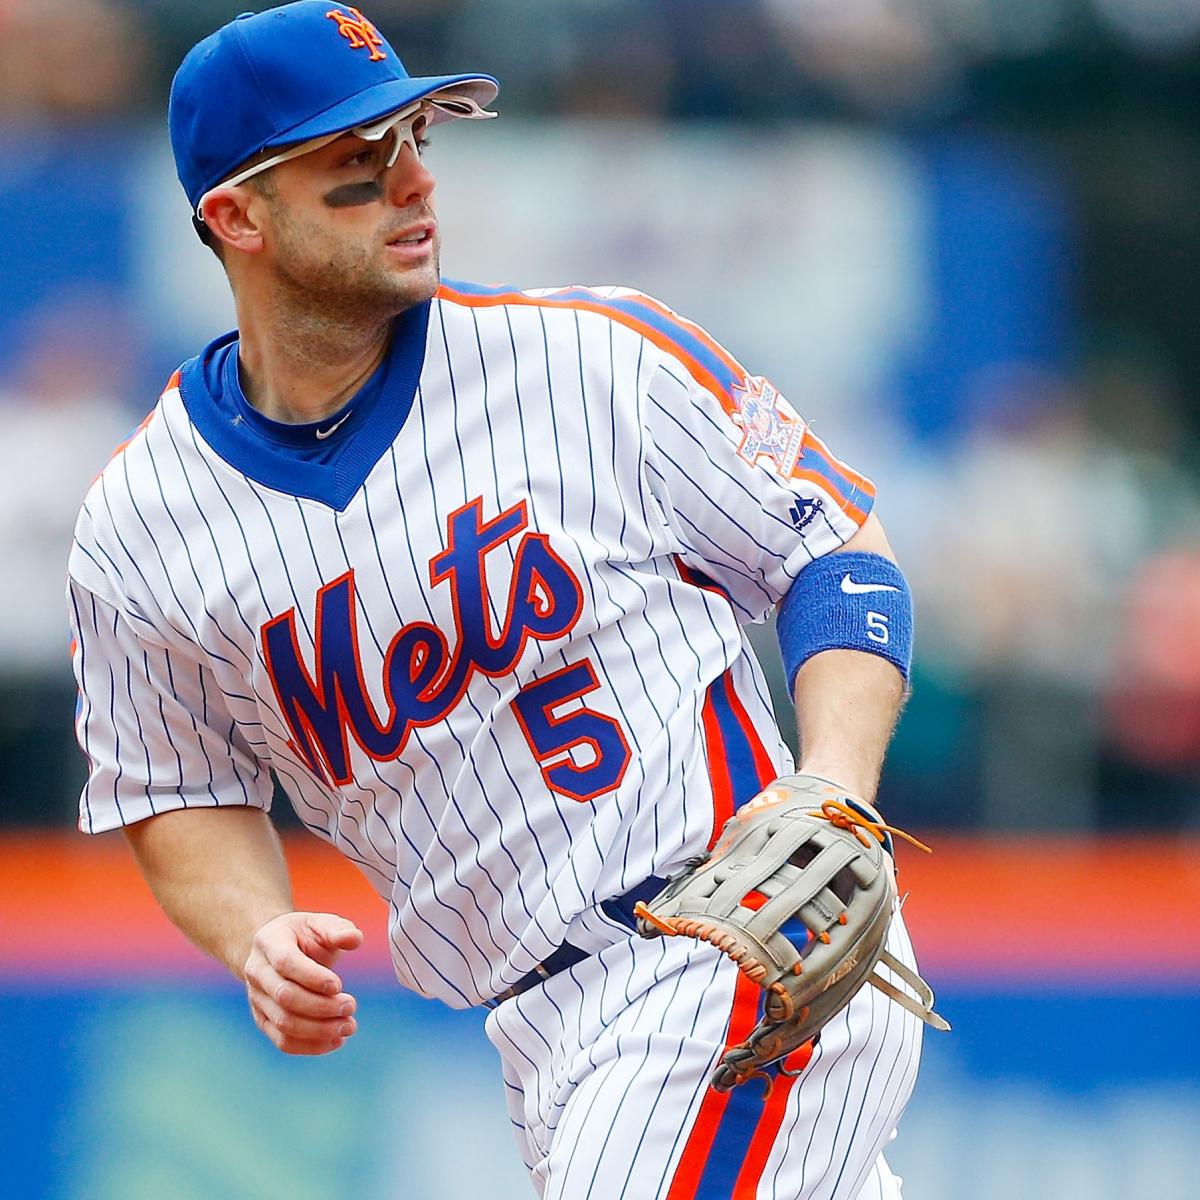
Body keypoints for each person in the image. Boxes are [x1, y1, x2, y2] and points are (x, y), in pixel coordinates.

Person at [69, 4, 929, 1197]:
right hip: (538, 1035)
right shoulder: (139, 524)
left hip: (739, 940)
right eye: (357, 174)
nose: (416, 185)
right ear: (236, 217)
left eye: (419, 140)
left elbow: (836, 558)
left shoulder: (595, 358)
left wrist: (835, 781)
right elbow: (177, 791)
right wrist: (255, 930)